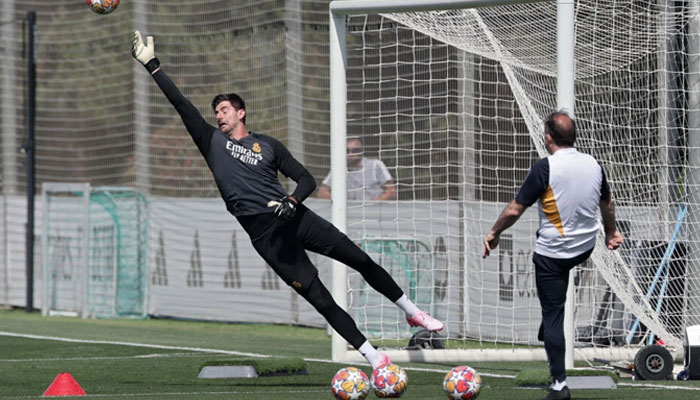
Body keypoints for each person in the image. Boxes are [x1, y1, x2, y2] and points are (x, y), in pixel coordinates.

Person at [131, 31, 443, 370]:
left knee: (360, 260)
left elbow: (307, 179)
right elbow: (181, 105)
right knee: (320, 298)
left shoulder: (268, 146)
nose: (218, 115)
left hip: (296, 217)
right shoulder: (211, 142)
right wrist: (153, 65)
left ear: (241, 113)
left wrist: (293, 200)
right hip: (266, 236)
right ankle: (373, 356)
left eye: (224, 109)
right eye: (216, 111)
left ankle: (412, 312)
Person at [481, 111, 623, 400]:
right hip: (584, 247)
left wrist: (494, 233)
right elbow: (607, 201)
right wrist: (611, 233)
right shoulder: (594, 164)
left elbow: (514, 210)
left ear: (548, 138)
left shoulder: (545, 167)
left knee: (553, 315)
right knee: (553, 311)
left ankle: (559, 385)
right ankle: (549, 327)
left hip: (553, 255)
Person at [317, 137, 397, 201]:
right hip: (349, 214)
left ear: (362, 151)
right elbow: (322, 192)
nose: (350, 154)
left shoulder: (375, 165)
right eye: (347, 150)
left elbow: (392, 191)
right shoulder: (339, 168)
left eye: (355, 150)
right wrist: (343, 202)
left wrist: (373, 204)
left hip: (375, 213)